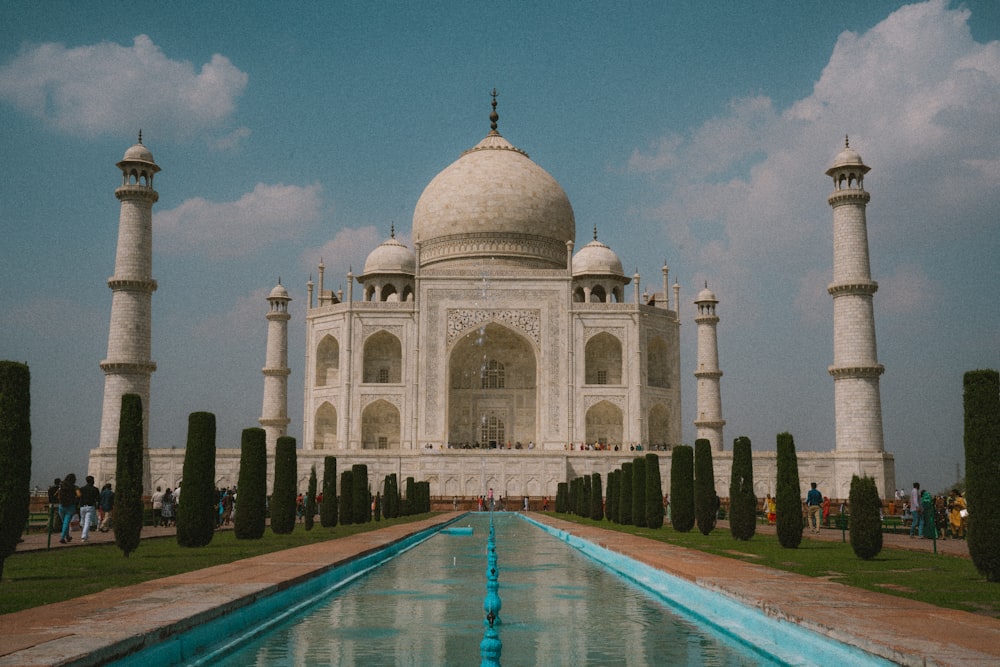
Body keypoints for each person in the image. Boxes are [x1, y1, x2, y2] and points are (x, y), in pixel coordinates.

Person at [78, 475, 100, 542]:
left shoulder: (81, 489)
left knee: (83, 522)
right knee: (87, 522)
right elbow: (98, 498)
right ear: (92, 481)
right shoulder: (95, 489)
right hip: (90, 507)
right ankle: (84, 536)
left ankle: (85, 535)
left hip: (82, 507)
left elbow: (78, 497)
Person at [57, 474, 78, 544]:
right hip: (70, 507)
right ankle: (62, 538)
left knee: (64, 523)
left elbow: (57, 494)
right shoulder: (74, 487)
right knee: (66, 523)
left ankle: (68, 536)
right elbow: (79, 495)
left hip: (61, 506)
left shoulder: (61, 485)